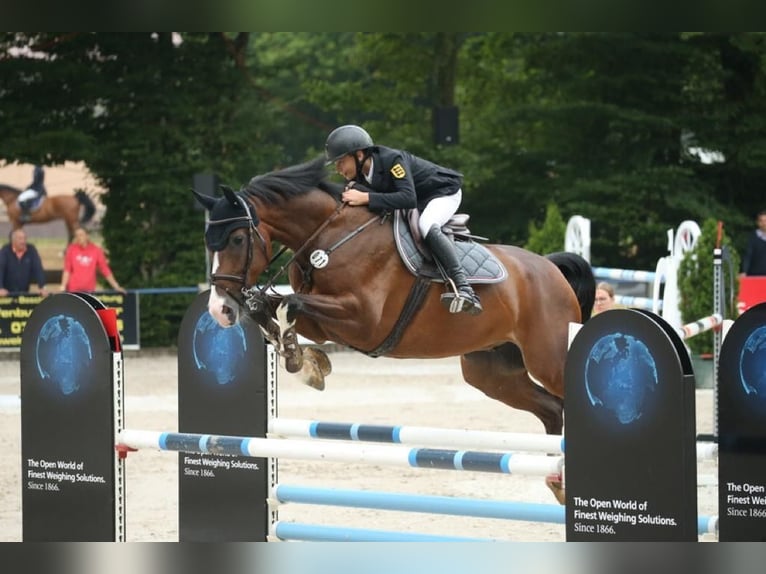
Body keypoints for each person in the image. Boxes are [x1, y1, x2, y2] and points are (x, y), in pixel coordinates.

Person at [324, 124, 482, 315]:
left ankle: (465, 288)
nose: (338, 168)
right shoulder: (361, 177)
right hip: (420, 199)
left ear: (358, 155)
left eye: (340, 161)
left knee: (426, 225)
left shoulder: (393, 160)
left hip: (442, 193)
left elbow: (408, 198)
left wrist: (366, 197)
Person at [60, 227, 126, 293]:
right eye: (77, 235)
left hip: (89, 290)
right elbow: (67, 270)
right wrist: (63, 285)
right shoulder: (71, 250)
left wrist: (116, 286)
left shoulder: (96, 250)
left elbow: (105, 269)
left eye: (81, 235)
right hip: (73, 290)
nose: (79, 237)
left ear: (87, 236)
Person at [0, 229, 48, 296]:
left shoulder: (31, 250)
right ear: (13, 241)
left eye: (24, 238)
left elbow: (38, 269)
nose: (23, 241)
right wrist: (0, 288)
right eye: (20, 239)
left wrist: (42, 287)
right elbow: (0, 269)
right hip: (7, 294)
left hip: (24, 293)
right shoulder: (5, 251)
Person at [740, 209, 766, 276]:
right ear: (758, 223)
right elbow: (748, 256)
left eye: (765, 221)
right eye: (761, 221)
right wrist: (744, 271)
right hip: (755, 276)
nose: (764, 223)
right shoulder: (753, 237)